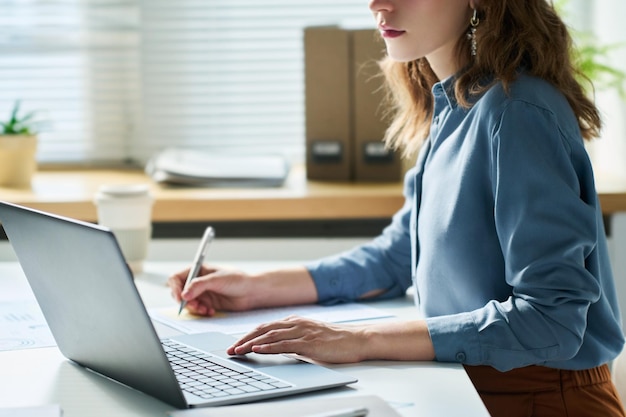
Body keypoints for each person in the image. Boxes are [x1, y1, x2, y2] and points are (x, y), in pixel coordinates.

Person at [168, 0, 626, 415]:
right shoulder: (454, 104)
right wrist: (256, 287)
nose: (378, 4)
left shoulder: (517, 114)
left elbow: (554, 320)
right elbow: (398, 255)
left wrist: (360, 341)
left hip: (543, 401)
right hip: (466, 389)